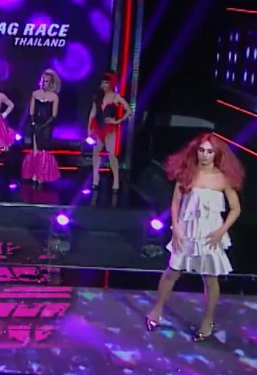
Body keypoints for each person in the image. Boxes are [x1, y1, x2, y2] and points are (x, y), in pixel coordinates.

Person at [145, 134, 245, 342]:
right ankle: (157, 310)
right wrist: (176, 229)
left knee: (210, 278)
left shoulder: (223, 178)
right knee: (172, 271)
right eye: (202, 150)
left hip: (210, 234)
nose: (204, 155)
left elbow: (236, 209)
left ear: (216, 154)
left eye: (209, 151)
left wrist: (221, 231)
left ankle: (207, 320)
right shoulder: (187, 174)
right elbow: (175, 203)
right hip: (187, 230)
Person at [87, 71, 131, 189]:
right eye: (103, 82)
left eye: (106, 82)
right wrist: (89, 128)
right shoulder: (98, 97)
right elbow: (93, 113)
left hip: (110, 129)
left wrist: (117, 121)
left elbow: (129, 110)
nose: (104, 85)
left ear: (111, 83)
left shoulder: (116, 97)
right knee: (96, 152)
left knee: (111, 155)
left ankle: (116, 181)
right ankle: (95, 179)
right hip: (98, 127)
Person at [22, 69, 62, 184]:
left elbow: (53, 115)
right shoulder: (35, 94)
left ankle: (42, 174)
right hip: (36, 124)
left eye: (47, 81)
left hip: (47, 125)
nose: (44, 83)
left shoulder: (54, 97)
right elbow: (31, 111)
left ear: (51, 83)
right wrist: (33, 123)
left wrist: (44, 126)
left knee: (44, 150)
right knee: (35, 150)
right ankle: (35, 173)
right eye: (43, 81)